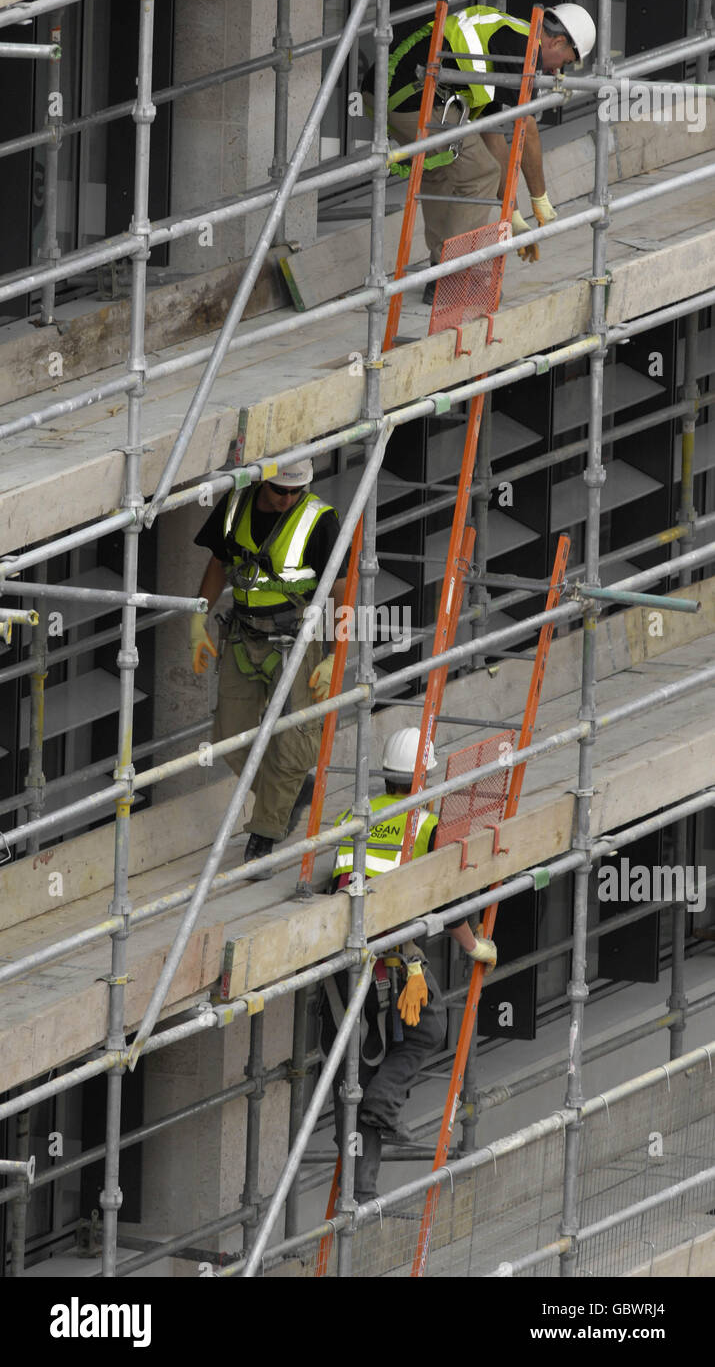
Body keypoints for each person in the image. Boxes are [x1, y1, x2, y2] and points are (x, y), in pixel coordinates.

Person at [320, 727, 497, 1202]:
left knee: (356, 1070)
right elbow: (449, 895)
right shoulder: (425, 825)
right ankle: (381, 1112)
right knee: (424, 1030)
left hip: (349, 960)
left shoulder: (352, 816)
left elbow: (342, 882)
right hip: (393, 959)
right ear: (424, 778)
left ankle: (361, 1188)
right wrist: (474, 944)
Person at [363, 2, 597, 300]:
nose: (557, 70)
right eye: (565, 61)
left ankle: (439, 275)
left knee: (443, 171)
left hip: (386, 92)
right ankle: (451, 278)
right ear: (558, 41)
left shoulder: (508, 35)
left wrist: (512, 215)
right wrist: (540, 199)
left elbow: (493, 133)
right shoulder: (526, 48)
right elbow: (526, 128)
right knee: (479, 173)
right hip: (409, 96)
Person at [190, 458, 347, 877]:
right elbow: (219, 562)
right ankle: (289, 794)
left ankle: (264, 835)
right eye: (281, 491)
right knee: (229, 737)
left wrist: (336, 654)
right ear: (264, 483)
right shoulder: (236, 505)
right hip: (245, 635)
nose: (288, 499)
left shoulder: (320, 521)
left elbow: (343, 589)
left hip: (298, 639)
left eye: (296, 492)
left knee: (294, 742)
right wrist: (196, 618)